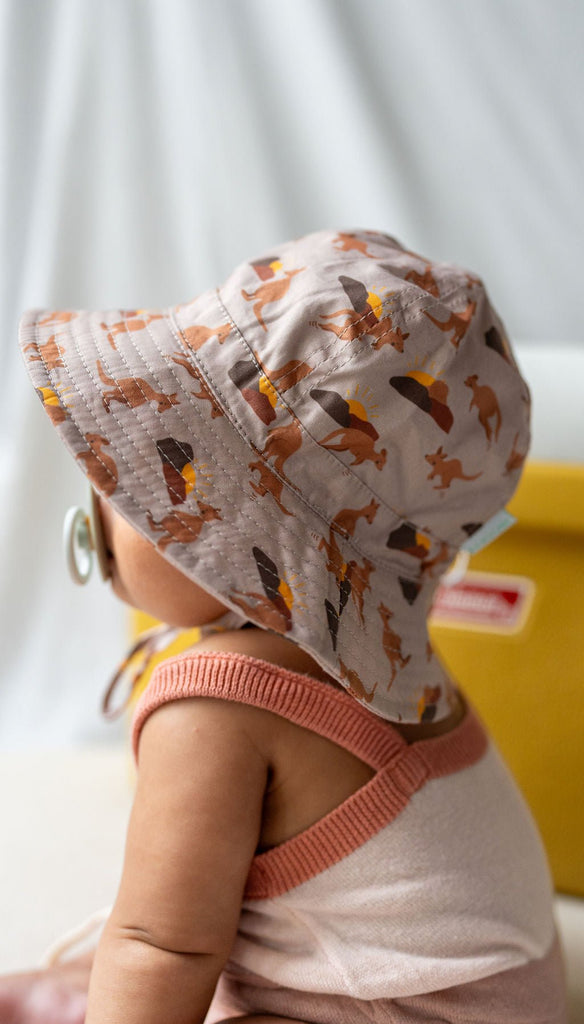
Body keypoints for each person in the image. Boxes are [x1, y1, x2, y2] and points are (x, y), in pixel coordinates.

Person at [7, 228, 566, 1023]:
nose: (98, 491)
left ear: (230, 533)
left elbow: (162, 945)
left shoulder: (211, 711)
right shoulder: (368, 668)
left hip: (423, 1009)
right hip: (505, 988)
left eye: (137, 477)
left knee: (147, 971)